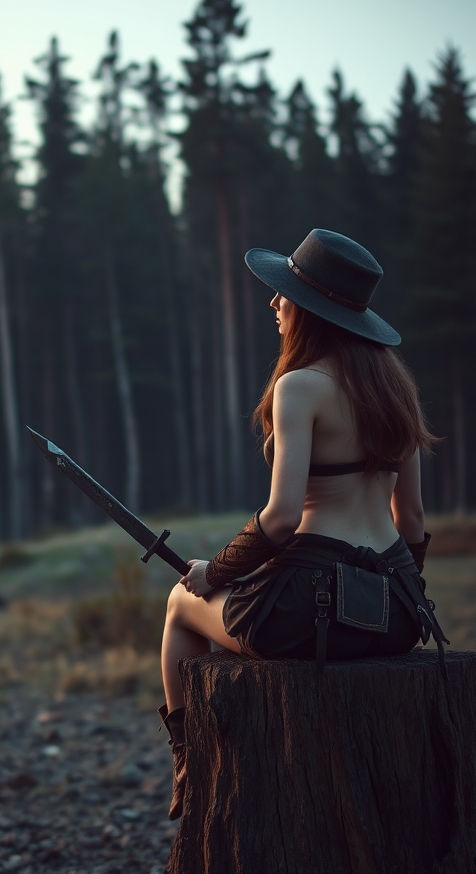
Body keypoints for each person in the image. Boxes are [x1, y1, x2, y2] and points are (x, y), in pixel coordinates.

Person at [158, 228, 444, 821]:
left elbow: (283, 517)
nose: (274, 303)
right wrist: (400, 593)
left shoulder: (300, 387)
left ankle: (186, 761)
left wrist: (215, 571)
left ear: (311, 309)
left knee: (179, 606)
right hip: (395, 614)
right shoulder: (399, 393)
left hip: (305, 613)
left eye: (284, 293)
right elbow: (410, 518)